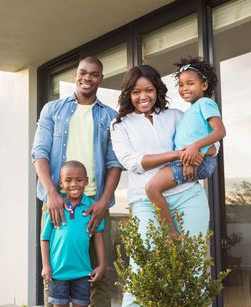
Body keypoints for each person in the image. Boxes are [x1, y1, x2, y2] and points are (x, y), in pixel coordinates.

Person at [109, 64, 211, 307]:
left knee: (192, 264)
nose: (143, 96)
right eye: (136, 92)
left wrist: (200, 151)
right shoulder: (120, 125)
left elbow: (204, 143)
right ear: (128, 94)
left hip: (188, 196)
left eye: (149, 90)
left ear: (157, 91)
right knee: (143, 264)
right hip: (146, 203)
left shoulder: (176, 115)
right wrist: (177, 155)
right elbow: (133, 163)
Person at [31, 56, 122, 307]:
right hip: (57, 202)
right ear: (75, 75)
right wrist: (52, 193)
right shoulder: (53, 110)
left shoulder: (110, 116)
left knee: (99, 275)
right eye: (83, 72)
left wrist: (104, 202)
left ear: (100, 79)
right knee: (54, 274)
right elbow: (39, 153)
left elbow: (115, 163)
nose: (87, 77)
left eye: (94, 74)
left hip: (95, 204)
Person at [145, 57, 226, 238]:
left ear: (204, 85)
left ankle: (170, 233)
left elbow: (220, 132)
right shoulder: (190, 110)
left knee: (152, 188)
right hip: (190, 160)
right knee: (154, 187)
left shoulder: (206, 104)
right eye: (181, 85)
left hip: (201, 161)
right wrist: (190, 154)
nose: (185, 89)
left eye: (190, 83)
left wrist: (195, 149)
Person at [41, 160, 106, 307]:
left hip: (83, 273)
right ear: (61, 183)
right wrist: (46, 265)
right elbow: (44, 238)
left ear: (87, 181)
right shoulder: (55, 207)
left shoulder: (93, 208)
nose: (74, 184)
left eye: (79, 179)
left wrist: (102, 265)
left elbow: (98, 237)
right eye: (68, 180)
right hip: (58, 273)